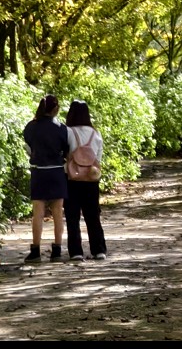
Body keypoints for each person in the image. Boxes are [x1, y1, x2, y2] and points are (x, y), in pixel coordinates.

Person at [22, 94, 68, 263]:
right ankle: (57, 250)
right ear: (55, 109)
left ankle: (35, 251)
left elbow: (28, 147)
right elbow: (67, 149)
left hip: (39, 172)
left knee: (38, 214)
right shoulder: (62, 128)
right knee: (57, 213)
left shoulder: (31, 127)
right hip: (56, 172)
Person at [63, 99, 108, 261]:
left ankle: (76, 252)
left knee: (72, 217)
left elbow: (62, 153)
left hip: (71, 179)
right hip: (91, 178)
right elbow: (98, 157)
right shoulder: (95, 133)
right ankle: (99, 250)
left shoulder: (68, 132)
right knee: (93, 216)